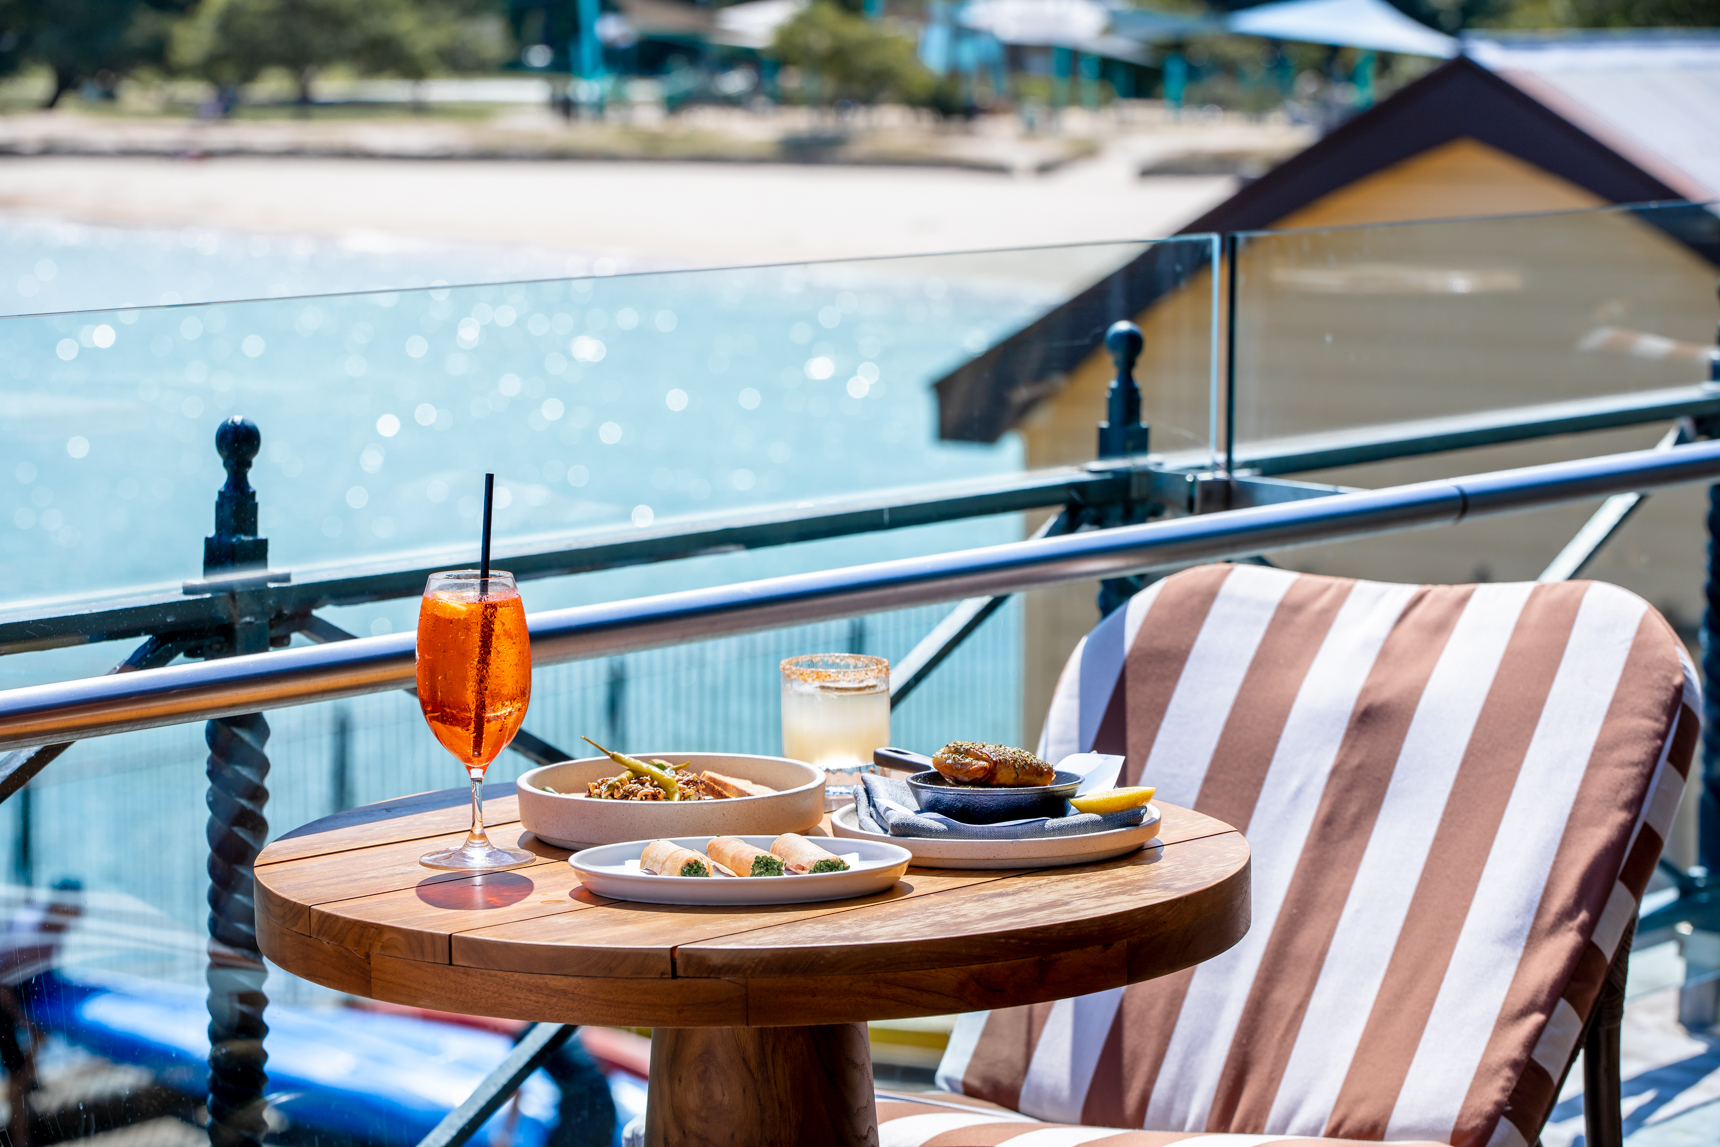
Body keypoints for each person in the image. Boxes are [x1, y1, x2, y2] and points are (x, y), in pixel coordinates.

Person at [0, 879, 83, 1147]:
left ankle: (28, 1080)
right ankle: (20, 1137)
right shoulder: (30, 937)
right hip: (2, 992)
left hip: (17, 983)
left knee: (37, 1040)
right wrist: (26, 1022)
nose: (83, 910)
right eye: (77, 905)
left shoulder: (52, 921)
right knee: (17, 1070)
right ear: (62, 907)